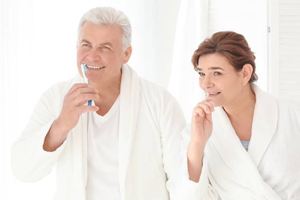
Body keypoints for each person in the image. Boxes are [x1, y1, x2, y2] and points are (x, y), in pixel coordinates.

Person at [11, 7, 186, 200]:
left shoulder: (160, 103)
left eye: (105, 48)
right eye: (86, 45)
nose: (92, 56)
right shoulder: (56, 98)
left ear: (126, 53)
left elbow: (181, 179)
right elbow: (22, 170)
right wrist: (60, 126)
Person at [184, 31, 300, 199]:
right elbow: (188, 195)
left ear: (245, 73)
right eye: (201, 73)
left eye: (216, 73)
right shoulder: (195, 132)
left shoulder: (292, 116)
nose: (205, 84)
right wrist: (197, 144)